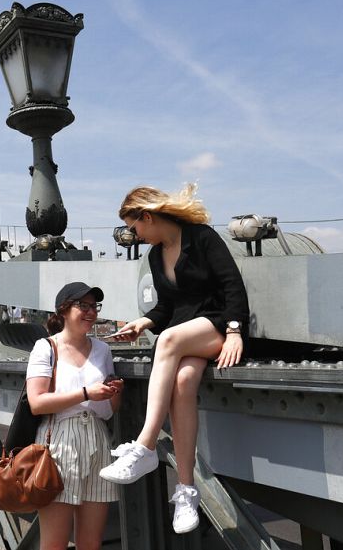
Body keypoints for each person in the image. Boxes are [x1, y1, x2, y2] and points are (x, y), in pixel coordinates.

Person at [99, 184, 249, 534]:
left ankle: (145, 445)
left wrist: (234, 330)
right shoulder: (154, 256)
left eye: (134, 228)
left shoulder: (201, 238)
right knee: (182, 383)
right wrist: (144, 322)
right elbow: (168, 307)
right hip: (185, 335)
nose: (134, 235)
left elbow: (232, 286)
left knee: (167, 340)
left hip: (216, 325)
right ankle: (186, 492)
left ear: (147, 217)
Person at [26, 282, 124, 550]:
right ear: (63, 310)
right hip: (59, 442)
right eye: (83, 305)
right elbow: (37, 402)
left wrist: (113, 393)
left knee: (91, 543)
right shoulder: (46, 347)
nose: (91, 312)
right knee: (55, 544)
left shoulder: (102, 350)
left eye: (94, 306)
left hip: (97, 439)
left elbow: (108, 410)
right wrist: (86, 393)